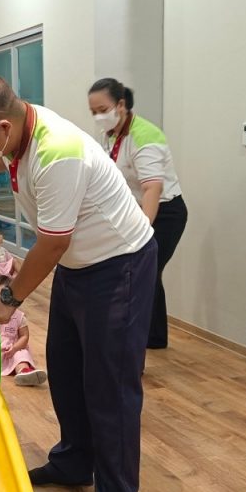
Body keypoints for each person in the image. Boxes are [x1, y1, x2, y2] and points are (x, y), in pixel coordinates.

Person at [0, 73, 156, 492]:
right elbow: (11, 154)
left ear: (2, 125)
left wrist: (9, 299)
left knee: (109, 386)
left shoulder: (58, 152)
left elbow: (52, 243)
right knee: (65, 370)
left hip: (118, 265)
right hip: (79, 264)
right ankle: (73, 462)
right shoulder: (24, 124)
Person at [88, 78, 187, 349]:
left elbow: (152, 187)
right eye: (93, 111)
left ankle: (143, 338)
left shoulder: (145, 135)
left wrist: (143, 230)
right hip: (135, 208)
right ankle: (151, 336)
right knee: (145, 274)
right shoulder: (109, 134)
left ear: (120, 105)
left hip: (164, 212)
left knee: (145, 272)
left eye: (102, 109)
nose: (98, 117)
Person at [0, 275, 47, 386]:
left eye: (1, 298)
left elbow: (24, 336)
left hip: (11, 351)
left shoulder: (19, 316)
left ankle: (24, 372)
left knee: (21, 354)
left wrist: (15, 348)